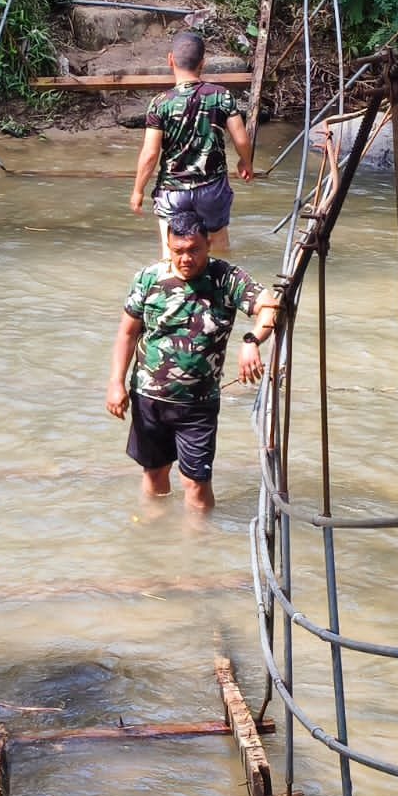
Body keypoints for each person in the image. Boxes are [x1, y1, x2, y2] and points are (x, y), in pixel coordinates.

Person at [106, 211, 280, 511]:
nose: (186, 258)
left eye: (194, 250)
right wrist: (115, 384)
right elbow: (127, 332)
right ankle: (156, 536)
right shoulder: (148, 278)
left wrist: (252, 341)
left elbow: (270, 305)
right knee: (154, 475)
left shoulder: (226, 278)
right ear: (169, 246)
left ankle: (196, 546)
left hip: (199, 403)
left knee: (196, 485)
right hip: (149, 398)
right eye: (178, 252)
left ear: (208, 245)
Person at [130, 31, 255, 257]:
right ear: (203, 63)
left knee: (173, 254)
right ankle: (219, 289)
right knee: (218, 250)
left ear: (170, 60)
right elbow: (241, 139)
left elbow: (150, 154)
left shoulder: (160, 103)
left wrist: (138, 190)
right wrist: (245, 163)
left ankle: (175, 290)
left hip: (172, 190)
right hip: (212, 188)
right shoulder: (222, 96)